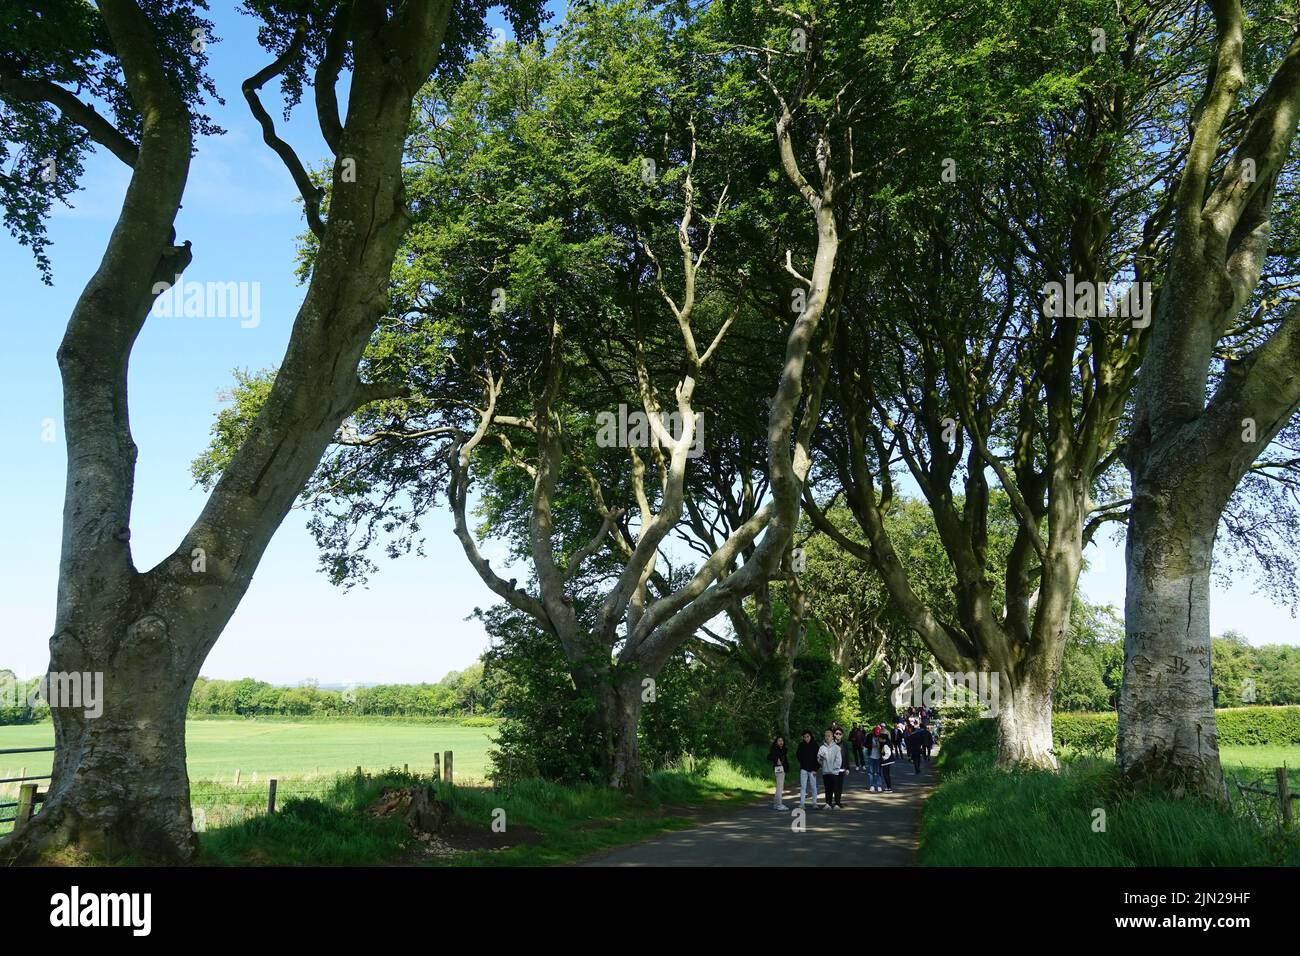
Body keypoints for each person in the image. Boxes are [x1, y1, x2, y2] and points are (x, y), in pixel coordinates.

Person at [817, 729, 844, 809]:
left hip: (834, 772)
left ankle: (837, 803)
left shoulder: (836, 748)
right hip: (825, 771)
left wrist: (834, 769)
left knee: (835, 788)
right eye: (826, 736)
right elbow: (818, 759)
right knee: (827, 788)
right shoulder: (822, 748)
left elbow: (839, 760)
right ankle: (828, 803)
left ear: (832, 737)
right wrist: (821, 759)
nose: (827, 737)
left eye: (829, 736)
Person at [796, 730, 821, 809]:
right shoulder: (801, 745)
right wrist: (802, 762)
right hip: (803, 769)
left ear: (811, 736)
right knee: (803, 787)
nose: (806, 738)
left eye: (808, 736)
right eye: (804, 737)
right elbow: (798, 755)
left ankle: (814, 803)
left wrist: (816, 769)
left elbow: (819, 758)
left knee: (813, 787)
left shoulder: (815, 745)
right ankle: (802, 803)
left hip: (813, 769)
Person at [768, 735, 791, 810]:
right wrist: (776, 759)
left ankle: (776, 804)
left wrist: (787, 768)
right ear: (776, 742)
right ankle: (779, 804)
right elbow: (769, 757)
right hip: (778, 769)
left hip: (783, 769)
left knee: (779, 787)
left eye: (782, 741)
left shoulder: (784, 749)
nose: (781, 742)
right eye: (779, 741)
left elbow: (785, 760)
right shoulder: (775, 749)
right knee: (780, 788)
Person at [877, 726, 895, 793]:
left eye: (880, 739)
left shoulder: (885, 745)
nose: (879, 740)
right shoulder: (886, 743)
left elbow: (888, 753)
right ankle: (888, 787)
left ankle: (889, 788)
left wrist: (883, 758)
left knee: (886, 775)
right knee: (886, 774)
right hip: (887, 761)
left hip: (886, 762)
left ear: (883, 739)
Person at [866, 724, 884, 791]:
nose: (877, 735)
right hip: (871, 756)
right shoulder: (869, 736)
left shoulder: (881, 737)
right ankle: (872, 785)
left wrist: (880, 746)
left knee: (879, 772)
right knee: (871, 772)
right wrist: (871, 745)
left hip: (879, 756)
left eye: (878, 734)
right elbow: (865, 744)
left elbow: (885, 745)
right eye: (876, 733)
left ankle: (879, 785)